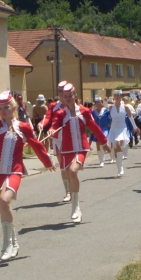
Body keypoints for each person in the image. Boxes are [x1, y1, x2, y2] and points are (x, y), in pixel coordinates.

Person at [0, 91, 55, 261]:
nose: (3, 111)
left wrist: (47, 162)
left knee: (5, 200)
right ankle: (11, 242)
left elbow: (36, 144)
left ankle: (8, 244)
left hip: (14, 170)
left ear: (13, 107)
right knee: (2, 208)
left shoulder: (23, 127)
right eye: (0, 108)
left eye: (6, 107)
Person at [48, 84, 111, 223]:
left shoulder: (85, 111)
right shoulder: (60, 114)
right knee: (70, 174)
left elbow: (94, 127)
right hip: (66, 150)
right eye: (66, 97)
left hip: (81, 148)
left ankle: (75, 207)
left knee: (72, 171)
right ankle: (75, 206)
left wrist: (104, 142)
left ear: (75, 96)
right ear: (63, 98)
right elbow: (55, 125)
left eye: (71, 96)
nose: (68, 99)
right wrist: (52, 130)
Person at [38, 81, 71, 202]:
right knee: (63, 166)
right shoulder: (53, 105)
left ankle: (73, 188)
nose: (61, 94)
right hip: (58, 139)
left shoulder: (71, 104)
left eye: (63, 92)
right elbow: (48, 118)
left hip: (70, 139)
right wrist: (42, 124)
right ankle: (68, 191)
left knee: (70, 167)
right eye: (59, 92)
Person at [108, 90, 139, 177]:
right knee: (115, 149)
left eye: (118, 95)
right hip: (114, 129)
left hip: (122, 128)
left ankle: (121, 168)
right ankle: (119, 168)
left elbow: (130, 117)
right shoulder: (110, 107)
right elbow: (106, 117)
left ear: (121, 96)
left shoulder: (125, 107)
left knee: (118, 145)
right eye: (115, 95)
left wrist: (135, 128)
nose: (117, 97)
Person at [89, 97, 109, 166]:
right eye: (97, 102)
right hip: (97, 129)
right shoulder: (93, 112)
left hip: (104, 128)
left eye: (100, 102)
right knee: (98, 144)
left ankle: (107, 154)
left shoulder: (106, 110)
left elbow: (111, 115)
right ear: (95, 104)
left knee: (103, 142)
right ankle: (101, 161)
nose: (99, 103)